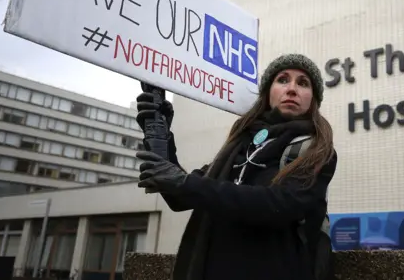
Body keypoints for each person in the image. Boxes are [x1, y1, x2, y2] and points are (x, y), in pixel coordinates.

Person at [134, 54, 338, 280]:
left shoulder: (315, 149)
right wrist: (159, 133)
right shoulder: (238, 145)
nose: (292, 89)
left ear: (313, 99)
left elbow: (280, 204)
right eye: (282, 80)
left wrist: (187, 184)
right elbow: (182, 196)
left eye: (303, 83)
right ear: (268, 93)